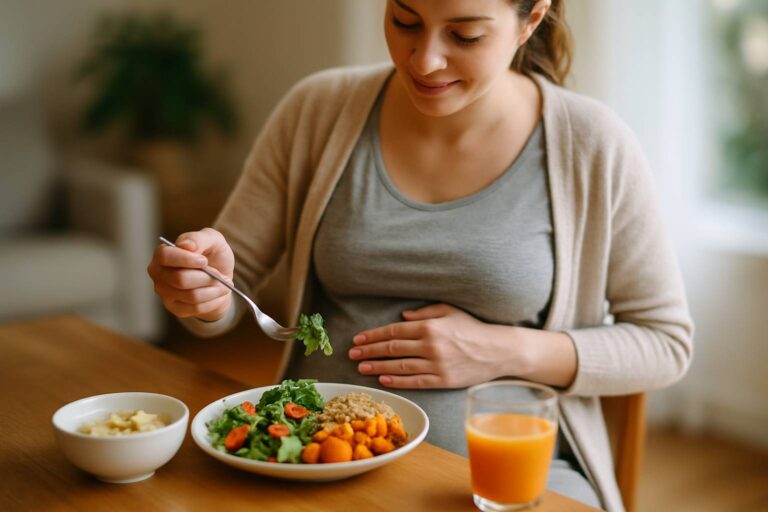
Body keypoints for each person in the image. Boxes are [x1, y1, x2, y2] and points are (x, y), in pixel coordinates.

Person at [147, 1, 693, 510]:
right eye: (405, 20)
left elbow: (665, 342)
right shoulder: (318, 109)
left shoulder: (591, 143)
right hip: (307, 466)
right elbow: (226, 290)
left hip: (501, 485)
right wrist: (203, 291)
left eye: (465, 34)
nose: (426, 60)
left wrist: (503, 351)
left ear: (530, 21)